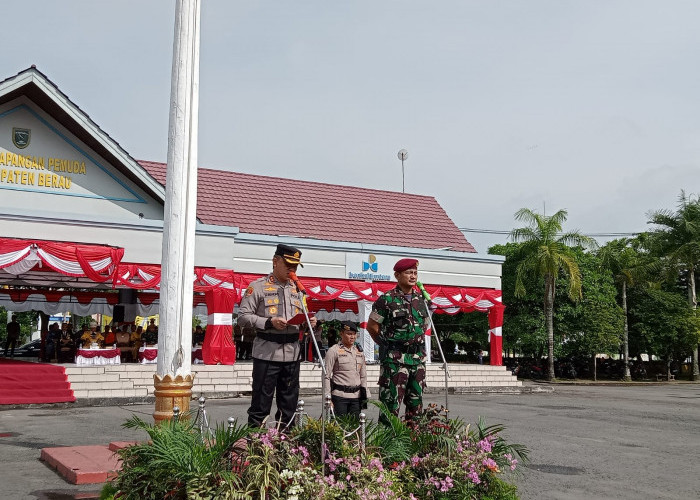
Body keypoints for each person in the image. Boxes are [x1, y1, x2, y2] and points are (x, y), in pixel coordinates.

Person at [238, 243, 317, 428]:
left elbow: (303, 314)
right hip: (267, 352)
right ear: (275, 261)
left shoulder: (297, 289)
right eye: (289, 264)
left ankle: (286, 444)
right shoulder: (257, 287)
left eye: (296, 265)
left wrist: (309, 322)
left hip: (292, 353)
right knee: (261, 404)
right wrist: (268, 322)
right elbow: (242, 317)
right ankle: (256, 444)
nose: (293, 269)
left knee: (289, 404)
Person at [366, 258, 429, 424]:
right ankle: (388, 446)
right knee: (390, 406)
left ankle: (412, 443)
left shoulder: (422, 299)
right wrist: (387, 345)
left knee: (416, 407)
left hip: (417, 359)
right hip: (395, 360)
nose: (413, 276)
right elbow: (372, 326)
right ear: (397, 275)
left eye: (415, 273)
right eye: (409, 272)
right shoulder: (386, 300)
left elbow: (425, 325)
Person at [323, 321, 368, 418]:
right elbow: (326, 376)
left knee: (355, 427)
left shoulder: (359, 352)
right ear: (341, 333)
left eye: (354, 334)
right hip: (339, 397)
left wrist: (364, 396)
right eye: (349, 334)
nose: (352, 337)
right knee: (339, 429)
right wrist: (328, 398)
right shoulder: (333, 351)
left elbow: (363, 376)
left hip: (356, 397)